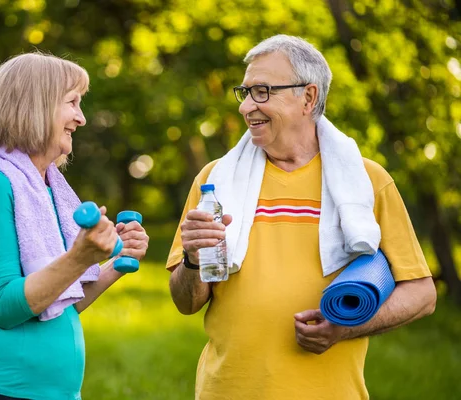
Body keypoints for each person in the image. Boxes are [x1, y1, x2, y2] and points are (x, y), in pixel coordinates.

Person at [166, 34, 436, 400]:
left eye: (262, 91)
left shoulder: (367, 181)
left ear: (308, 97)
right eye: (244, 93)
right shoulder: (214, 182)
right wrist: (194, 259)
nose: (247, 107)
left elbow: (422, 293)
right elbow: (186, 302)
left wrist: (345, 328)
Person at [0, 52, 149, 400]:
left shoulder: (46, 193)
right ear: (34, 106)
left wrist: (114, 263)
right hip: (2, 390)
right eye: (72, 102)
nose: (81, 118)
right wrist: (79, 257)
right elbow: (4, 305)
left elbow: (59, 301)